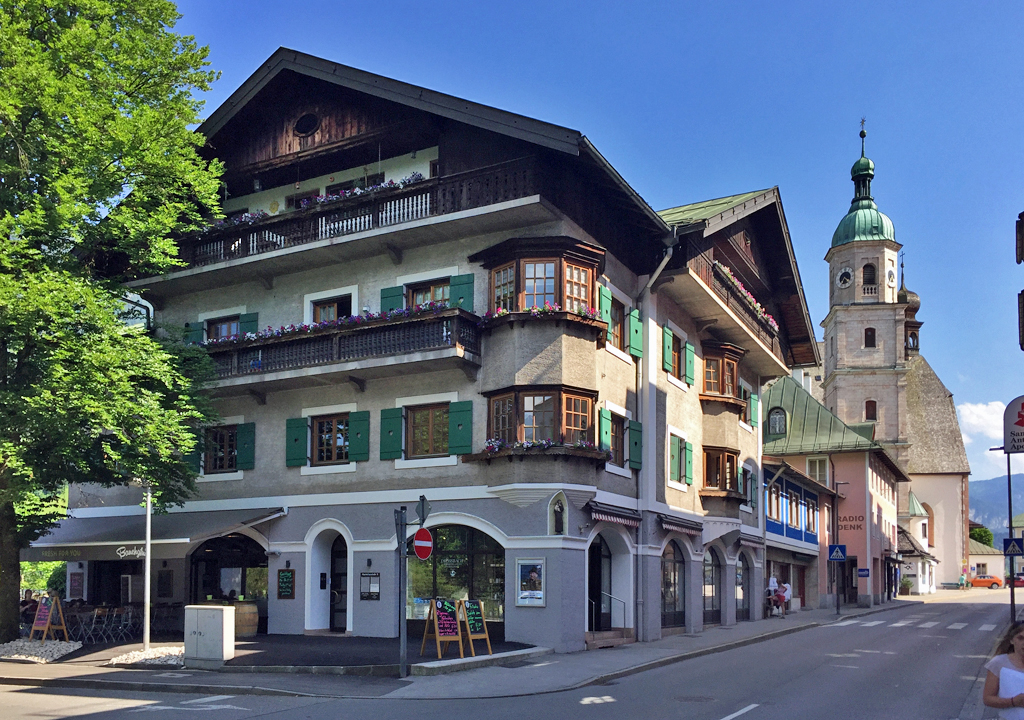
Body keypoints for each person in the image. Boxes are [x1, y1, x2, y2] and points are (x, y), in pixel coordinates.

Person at [983, 622, 1024, 716]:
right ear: (1012, 640)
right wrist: (1013, 702)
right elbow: (988, 698)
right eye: (1020, 638)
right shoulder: (999, 663)